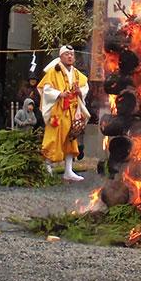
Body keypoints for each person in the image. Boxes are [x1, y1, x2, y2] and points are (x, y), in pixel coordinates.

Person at [39, 45, 89, 181]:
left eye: (72, 54)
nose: (70, 56)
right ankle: (47, 167)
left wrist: (80, 92)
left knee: (71, 139)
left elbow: (85, 87)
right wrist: (60, 94)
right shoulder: (53, 72)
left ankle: (68, 170)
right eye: (67, 54)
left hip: (72, 110)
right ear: (61, 57)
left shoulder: (77, 73)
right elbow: (46, 89)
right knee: (53, 138)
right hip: (58, 111)